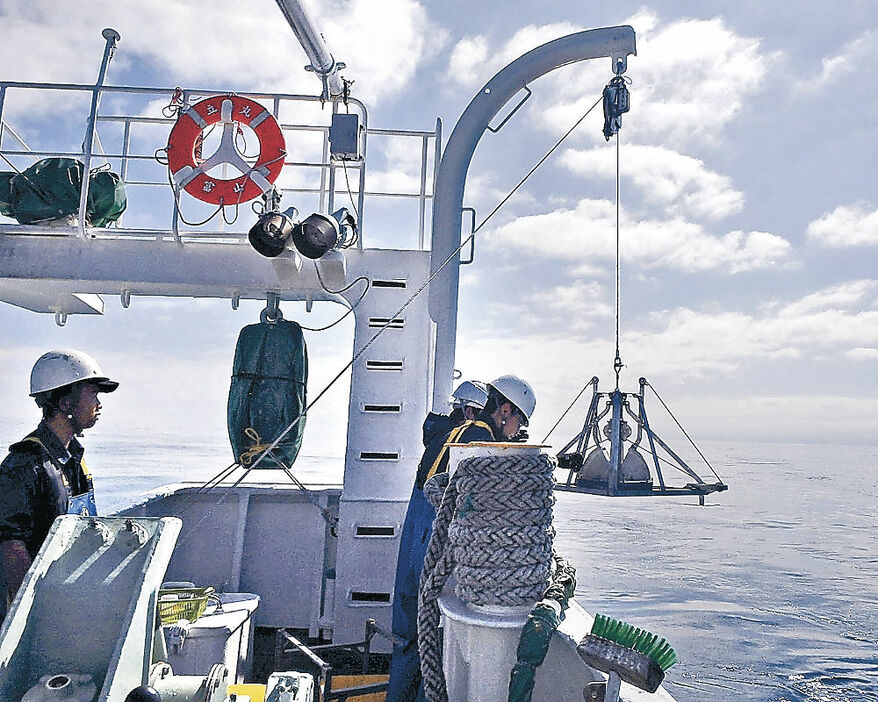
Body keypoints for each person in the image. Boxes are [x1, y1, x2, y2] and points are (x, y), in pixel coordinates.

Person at [387, 374, 536, 701]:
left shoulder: (450, 432)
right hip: (437, 544)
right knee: (436, 643)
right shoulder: (482, 444)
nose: (518, 430)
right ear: (506, 410)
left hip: (414, 534)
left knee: (408, 638)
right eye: (519, 421)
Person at [0, 349, 118, 614]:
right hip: (37, 609)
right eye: (93, 395)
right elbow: (11, 545)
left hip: (63, 597)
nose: (99, 404)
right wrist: (31, 612)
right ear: (65, 403)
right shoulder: (25, 465)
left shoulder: (72, 457)